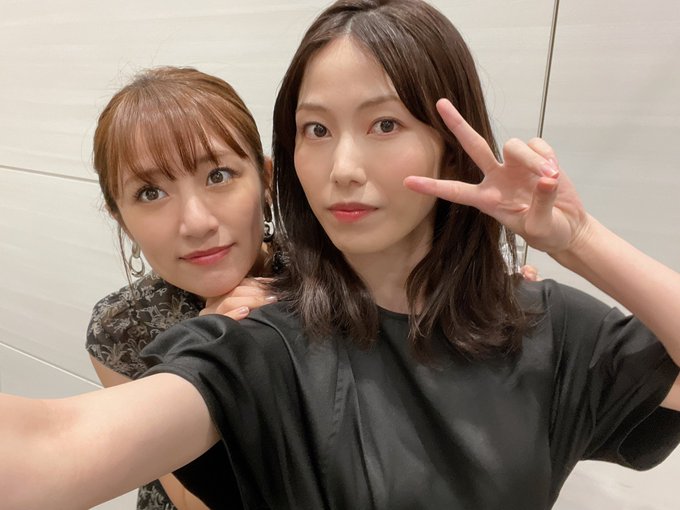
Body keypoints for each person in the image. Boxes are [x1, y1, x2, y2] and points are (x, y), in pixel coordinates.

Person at [2, 1, 679, 509]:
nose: (343, 168)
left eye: (384, 123)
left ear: (451, 147)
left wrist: (578, 239)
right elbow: (47, 454)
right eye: (316, 129)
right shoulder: (255, 343)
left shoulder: (547, 325)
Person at [86, 66, 275, 510]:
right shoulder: (120, 329)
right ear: (120, 218)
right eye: (151, 193)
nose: (196, 223)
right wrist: (206, 348)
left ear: (266, 179)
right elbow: (192, 500)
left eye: (218, 175)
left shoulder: (327, 280)